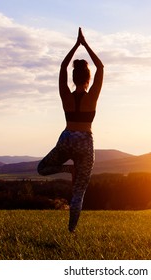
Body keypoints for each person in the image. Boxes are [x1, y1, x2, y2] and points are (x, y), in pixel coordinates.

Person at [37, 27, 104, 233]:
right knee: (78, 192)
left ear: (74, 78)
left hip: (66, 138)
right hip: (85, 141)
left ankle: (68, 169)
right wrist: (85, 44)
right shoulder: (91, 96)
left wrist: (76, 45)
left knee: (42, 168)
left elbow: (63, 66)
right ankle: (71, 231)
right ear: (88, 79)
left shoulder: (66, 94)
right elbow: (100, 67)